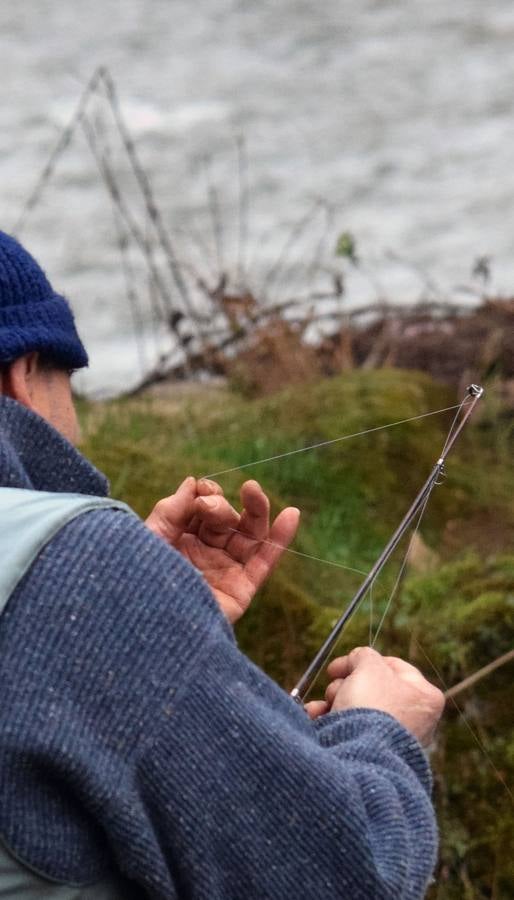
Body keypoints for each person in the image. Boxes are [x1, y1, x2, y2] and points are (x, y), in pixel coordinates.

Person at [0, 228, 445, 899]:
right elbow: (346, 878)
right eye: (71, 384)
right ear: (23, 377)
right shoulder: (82, 581)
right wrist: (381, 732)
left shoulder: (83, 587)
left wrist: (146, 608)